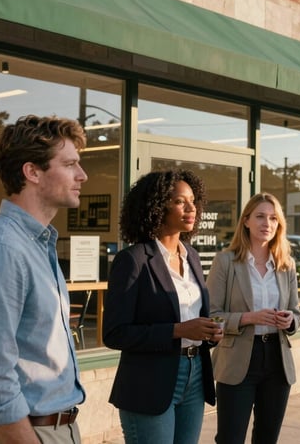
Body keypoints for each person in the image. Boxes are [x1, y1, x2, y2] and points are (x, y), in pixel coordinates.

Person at [0, 115, 87, 443]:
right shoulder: (0, 250)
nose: (82, 175)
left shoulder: (37, 245)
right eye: (70, 164)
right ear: (32, 172)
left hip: (56, 428)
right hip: (23, 433)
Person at [103, 170, 223, 444]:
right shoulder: (132, 260)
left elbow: (194, 316)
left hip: (195, 375)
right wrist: (177, 330)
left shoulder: (191, 255)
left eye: (193, 201)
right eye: (180, 201)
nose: (191, 208)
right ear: (157, 206)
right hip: (149, 383)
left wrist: (209, 333)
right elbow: (115, 333)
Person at [206, 192, 300, 444]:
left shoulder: (286, 264)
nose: (267, 223)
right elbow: (210, 318)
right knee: (230, 438)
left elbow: (297, 314)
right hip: (237, 360)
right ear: (246, 221)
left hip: (277, 360)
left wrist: (289, 320)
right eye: (260, 216)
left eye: (273, 218)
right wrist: (248, 317)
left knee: (267, 438)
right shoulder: (225, 261)